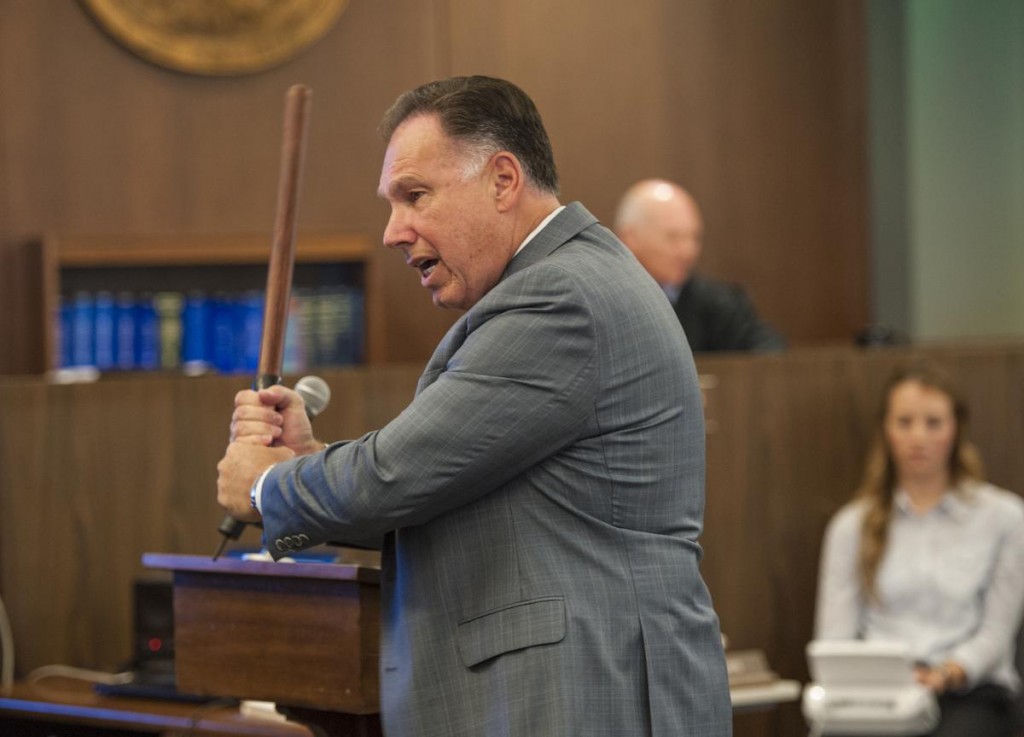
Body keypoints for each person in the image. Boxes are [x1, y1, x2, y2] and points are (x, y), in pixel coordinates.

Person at [217, 76, 731, 737]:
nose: (393, 232)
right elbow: (449, 494)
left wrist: (263, 486)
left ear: (503, 180)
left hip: (585, 695)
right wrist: (308, 462)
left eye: (415, 196)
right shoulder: (566, 282)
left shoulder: (558, 299)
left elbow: (395, 474)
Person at [814, 361, 1024, 737]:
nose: (918, 437)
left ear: (955, 429)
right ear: (886, 430)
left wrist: (945, 674)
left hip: (969, 691)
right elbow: (834, 641)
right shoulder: (851, 527)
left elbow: (996, 633)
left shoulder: (1004, 518)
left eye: (933, 423)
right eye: (904, 422)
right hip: (879, 692)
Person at [613, 178, 785, 353]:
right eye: (673, 238)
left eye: (694, 238)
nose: (688, 251)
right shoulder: (601, 303)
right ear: (629, 238)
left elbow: (769, 351)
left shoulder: (719, 302)